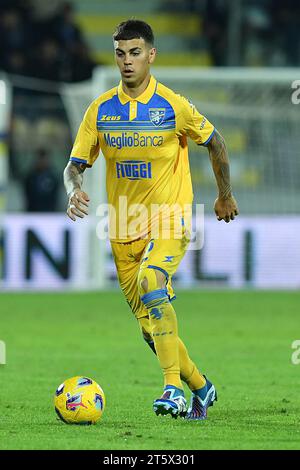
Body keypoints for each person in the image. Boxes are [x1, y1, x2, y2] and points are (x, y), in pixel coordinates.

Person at [63, 20, 239, 420]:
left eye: (135, 52)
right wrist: (73, 189)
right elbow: (73, 166)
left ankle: (171, 389)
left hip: (171, 218)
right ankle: (201, 386)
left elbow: (216, 141)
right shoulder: (100, 110)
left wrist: (224, 195)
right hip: (121, 227)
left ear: (151, 55)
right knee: (150, 329)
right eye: (120, 53)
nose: (127, 61)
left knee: (151, 281)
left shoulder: (173, 105)